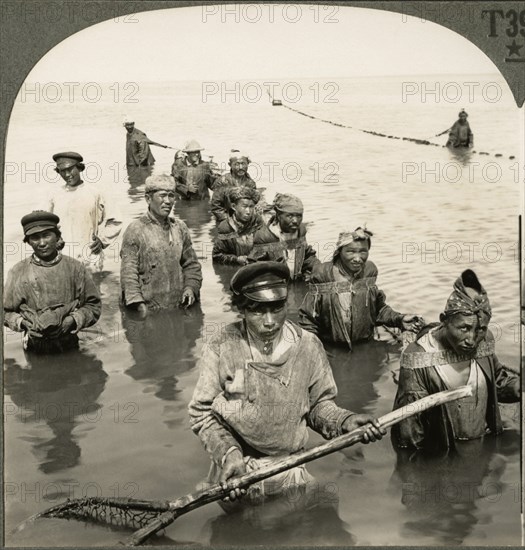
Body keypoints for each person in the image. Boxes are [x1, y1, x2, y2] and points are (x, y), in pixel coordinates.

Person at [188, 261, 385, 504]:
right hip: (237, 471)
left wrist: (343, 421)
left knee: (316, 524)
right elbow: (201, 414)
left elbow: (318, 406)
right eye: (258, 311)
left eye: (277, 308)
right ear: (242, 309)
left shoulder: (308, 346)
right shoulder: (222, 346)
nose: (270, 321)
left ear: (286, 302)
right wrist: (229, 454)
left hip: (291, 463)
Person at [391, 269, 520, 455]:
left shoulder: (485, 341)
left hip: (482, 440)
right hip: (444, 451)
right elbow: (409, 432)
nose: (472, 339)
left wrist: (517, 388)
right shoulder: (418, 357)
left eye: (480, 329)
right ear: (444, 321)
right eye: (464, 328)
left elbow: (496, 382)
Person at [299, 227, 424, 349]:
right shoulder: (323, 274)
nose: (358, 258)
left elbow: (378, 310)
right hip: (331, 348)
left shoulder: (369, 272)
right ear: (339, 251)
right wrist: (313, 348)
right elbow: (308, 319)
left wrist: (400, 319)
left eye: (363, 251)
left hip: (365, 346)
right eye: (351, 251)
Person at [4, 211, 101, 353]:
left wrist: (72, 321)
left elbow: (93, 306)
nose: (42, 243)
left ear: (57, 237)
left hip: (70, 342)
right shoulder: (17, 271)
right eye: (35, 238)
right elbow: (5, 312)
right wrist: (24, 323)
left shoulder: (75, 268)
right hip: (34, 345)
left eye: (47, 235)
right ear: (28, 241)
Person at [120, 174, 202, 315]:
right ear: (148, 199)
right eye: (162, 196)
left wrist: (190, 288)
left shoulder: (180, 227)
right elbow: (128, 274)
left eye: (171, 196)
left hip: (178, 305)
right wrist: (139, 305)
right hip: (148, 308)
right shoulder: (135, 230)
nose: (168, 201)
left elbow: (191, 264)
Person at [47, 151, 122, 268]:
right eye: (62, 171)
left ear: (80, 168)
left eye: (70, 169)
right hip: (62, 257)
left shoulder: (96, 193)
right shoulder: (54, 196)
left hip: (91, 256)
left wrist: (102, 241)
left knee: (95, 284)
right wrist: (52, 240)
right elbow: (42, 224)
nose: (67, 174)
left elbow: (116, 221)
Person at [249, 193, 320, 281]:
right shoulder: (264, 237)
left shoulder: (300, 231)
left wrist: (319, 269)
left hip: (294, 281)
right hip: (275, 287)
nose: (295, 221)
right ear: (278, 215)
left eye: (299, 216)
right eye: (290, 216)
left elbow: (307, 256)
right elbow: (254, 268)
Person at [212, 187, 263, 265]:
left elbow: (269, 246)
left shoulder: (258, 221)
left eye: (251, 206)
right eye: (244, 206)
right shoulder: (225, 227)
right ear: (233, 206)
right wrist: (236, 260)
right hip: (238, 269)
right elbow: (216, 256)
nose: (248, 211)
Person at [210, 150, 257, 223]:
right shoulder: (222, 182)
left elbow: (253, 205)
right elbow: (216, 207)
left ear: (248, 164)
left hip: (245, 221)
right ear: (230, 165)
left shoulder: (251, 183)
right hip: (225, 221)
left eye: (243, 164)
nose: (241, 167)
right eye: (237, 164)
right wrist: (229, 221)